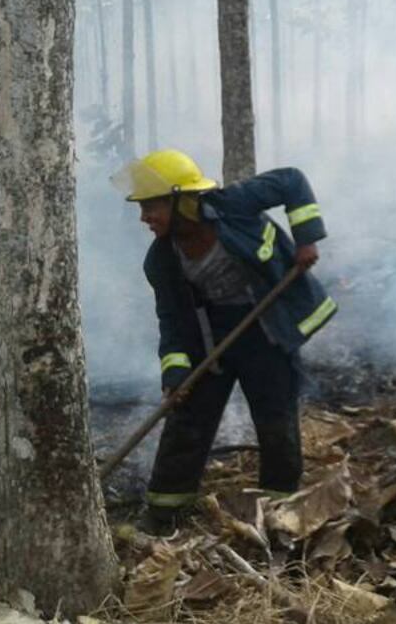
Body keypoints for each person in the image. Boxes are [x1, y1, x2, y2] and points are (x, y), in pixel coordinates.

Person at [113, 149, 336, 533]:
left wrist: (307, 238)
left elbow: (292, 181)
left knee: (275, 419)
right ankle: (165, 513)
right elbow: (172, 322)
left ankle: (278, 510)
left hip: (266, 328)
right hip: (211, 339)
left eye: (152, 207)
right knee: (188, 422)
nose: (145, 218)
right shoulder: (161, 261)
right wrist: (177, 374)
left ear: (182, 200)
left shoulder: (232, 205)